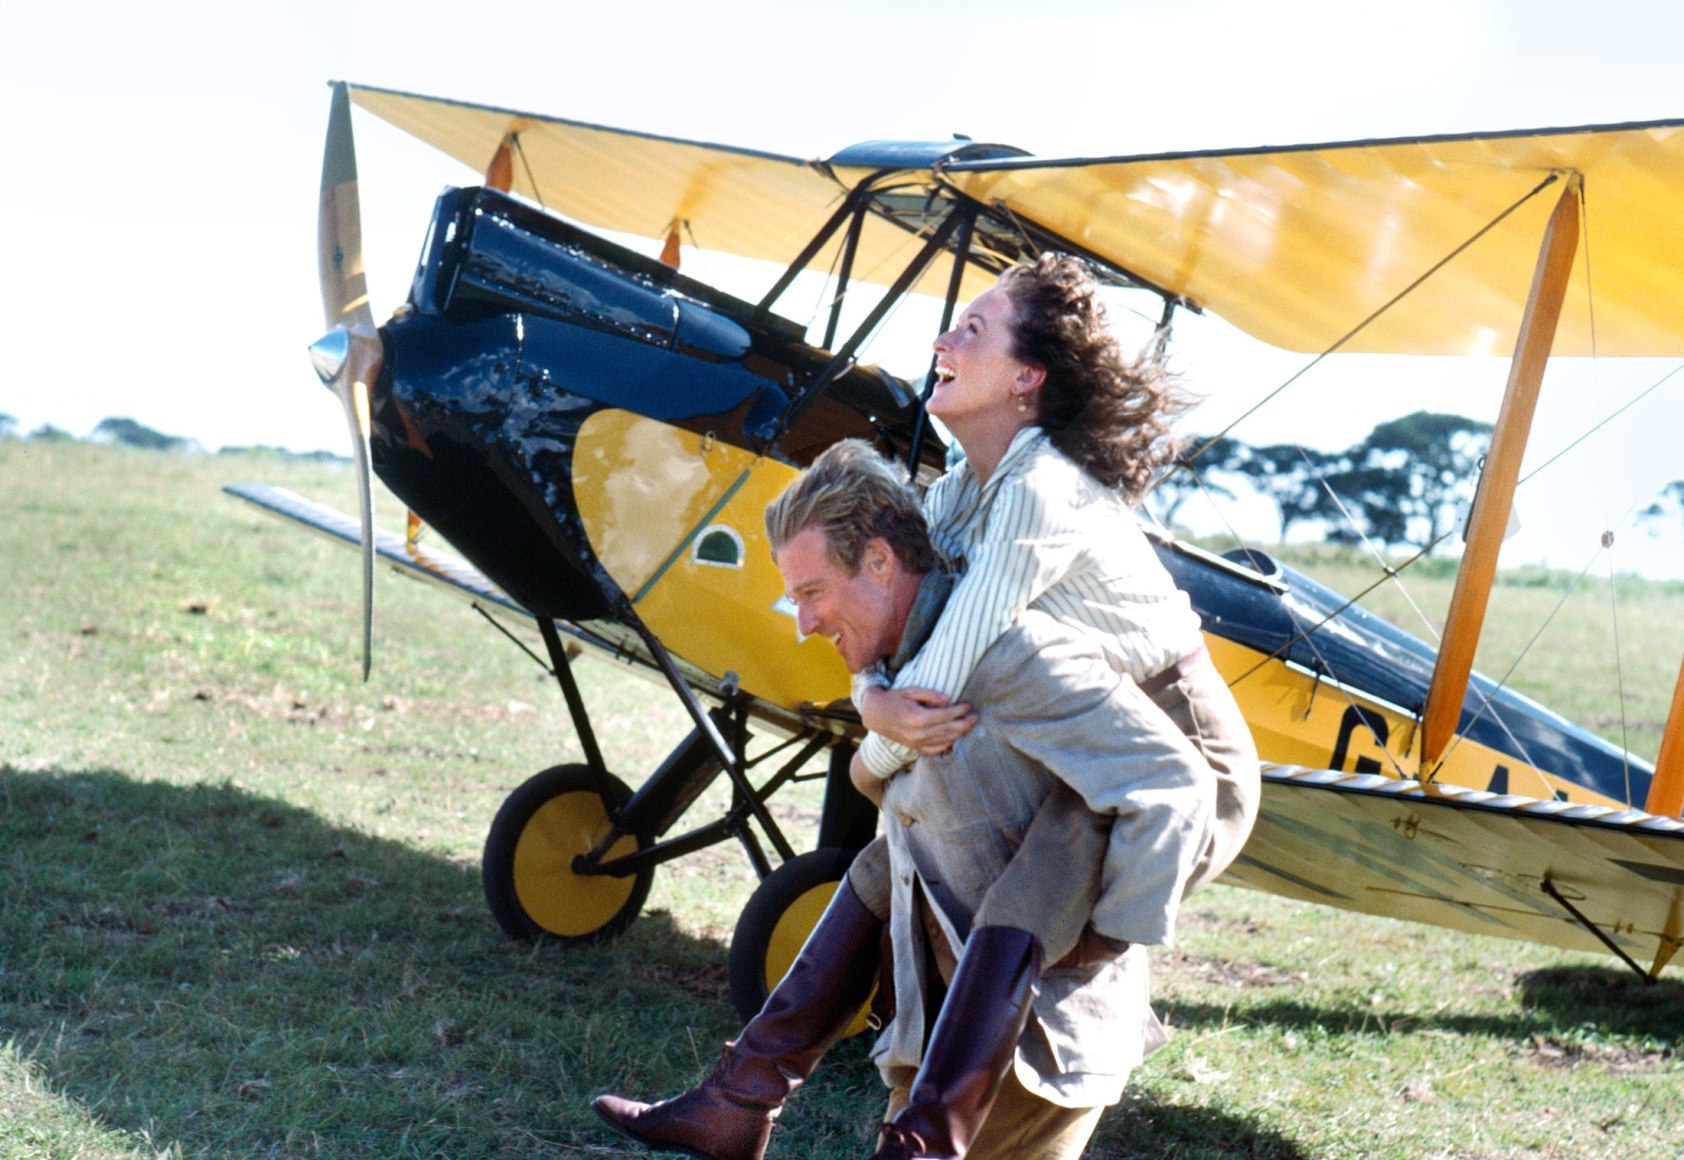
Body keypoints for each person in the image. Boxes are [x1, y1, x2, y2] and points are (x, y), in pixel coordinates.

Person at [593, 255, 1260, 1159]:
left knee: (1034, 872)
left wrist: (875, 751)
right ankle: (741, 1096)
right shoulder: (959, 488)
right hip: (1076, 720)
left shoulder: (1040, 489)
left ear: (1029, 377)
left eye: (973, 329)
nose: (943, 340)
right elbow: (899, 611)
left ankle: (922, 1143)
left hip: (1178, 739)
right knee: (895, 846)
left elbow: (956, 656)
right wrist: (872, 700)